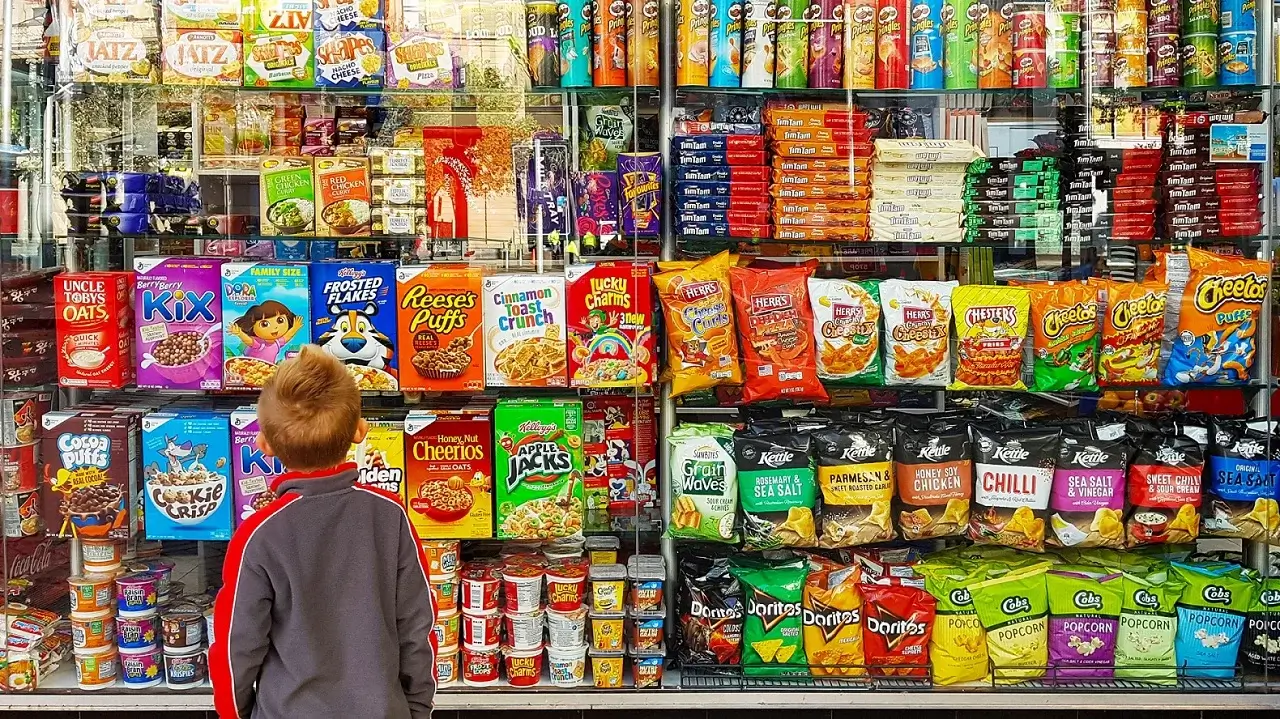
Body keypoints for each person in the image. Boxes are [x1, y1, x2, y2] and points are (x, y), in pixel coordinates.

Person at [211, 345, 437, 719]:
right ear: (360, 432)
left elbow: (236, 647)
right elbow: (418, 627)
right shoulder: (391, 515)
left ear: (263, 444)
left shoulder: (257, 534)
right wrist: (416, 708)